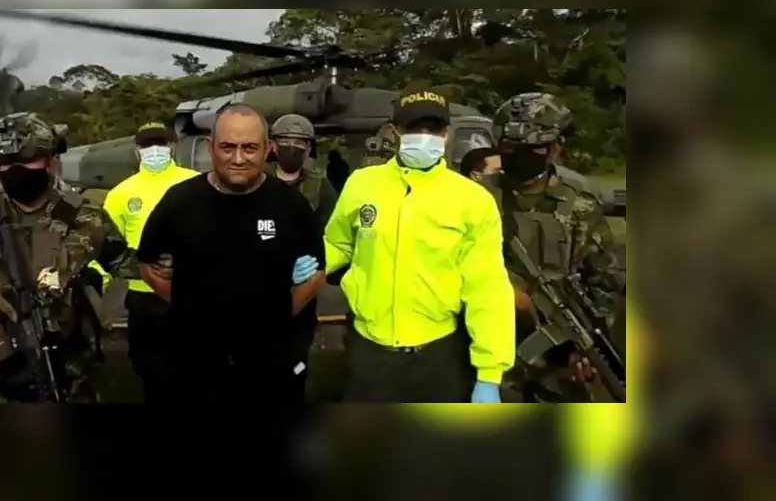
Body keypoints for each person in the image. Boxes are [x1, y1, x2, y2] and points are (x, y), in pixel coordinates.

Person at [0, 112, 132, 403]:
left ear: (50, 159)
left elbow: (127, 263)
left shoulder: (85, 214)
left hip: (72, 361)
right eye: (6, 163)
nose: (15, 170)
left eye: (26, 160)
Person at [324, 90, 515, 403]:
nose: (424, 137)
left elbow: (488, 289)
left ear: (446, 133)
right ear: (395, 130)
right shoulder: (362, 183)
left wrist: (489, 374)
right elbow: (338, 243)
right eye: (414, 128)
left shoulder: (473, 199)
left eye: (433, 129)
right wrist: (309, 262)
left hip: (438, 358)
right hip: (369, 355)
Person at [135, 104, 326, 402]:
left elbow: (316, 273)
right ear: (211, 148)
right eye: (227, 147)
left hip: (273, 361)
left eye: (249, 148)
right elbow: (147, 265)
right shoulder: (179, 202)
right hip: (198, 361)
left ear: (267, 149)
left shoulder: (292, 206)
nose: (238, 158)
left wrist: (273, 319)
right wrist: (196, 313)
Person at [492, 92, 625, 402]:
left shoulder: (578, 203)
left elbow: (602, 279)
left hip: (560, 356)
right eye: (511, 148)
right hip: (488, 349)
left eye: (533, 148)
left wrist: (585, 347)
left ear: (555, 149)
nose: (520, 156)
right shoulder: (478, 199)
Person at [101, 121, 198, 402]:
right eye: (147, 145)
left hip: (191, 296)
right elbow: (102, 249)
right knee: (153, 375)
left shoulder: (196, 184)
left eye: (161, 144)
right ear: (136, 151)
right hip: (144, 299)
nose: (155, 150)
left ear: (173, 147)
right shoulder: (119, 194)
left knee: (196, 374)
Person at [268, 114, 340, 401]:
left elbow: (333, 230)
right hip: (256, 281)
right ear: (272, 145)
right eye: (284, 141)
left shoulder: (319, 185)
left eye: (298, 142)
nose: (291, 147)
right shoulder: (254, 178)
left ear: (309, 148)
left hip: (301, 283)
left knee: (295, 354)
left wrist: (318, 265)